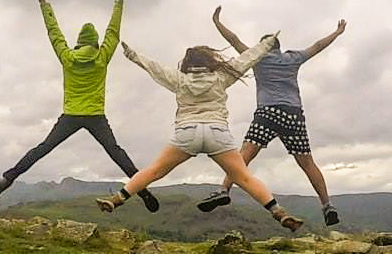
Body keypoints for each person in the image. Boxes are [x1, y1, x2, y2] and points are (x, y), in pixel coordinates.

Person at [94, 32, 304, 232]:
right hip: (217, 133)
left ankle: (116, 199)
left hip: (187, 133)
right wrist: (267, 43)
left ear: (187, 64)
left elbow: (154, 68)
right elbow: (247, 59)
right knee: (244, 178)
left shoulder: (179, 79)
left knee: (154, 171)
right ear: (210, 61)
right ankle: (279, 212)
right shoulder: (221, 76)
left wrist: (132, 55)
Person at [0, 0, 159, 212]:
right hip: (95, 116)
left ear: (79, 41)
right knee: (116, 152)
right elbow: (113, 34)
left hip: (70, 115)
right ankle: (142, 190)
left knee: (43, 148)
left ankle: (7, 179)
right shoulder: (101, 58)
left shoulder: (67, 57)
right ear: (95, 42)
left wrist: (44, 6)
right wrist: (119, 4)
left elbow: (55, 34)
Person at [196, 6, 346, 226]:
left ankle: (223, 190)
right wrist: (337, 32)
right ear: (279, 46)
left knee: (244, 155)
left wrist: (217, 22)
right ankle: (327, 205)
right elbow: (317, 46)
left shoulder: (258, 58)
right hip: (293, 115)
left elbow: (234, 39)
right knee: (307, 162)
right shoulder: (293, 58)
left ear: (263, 47)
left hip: (267, 112)